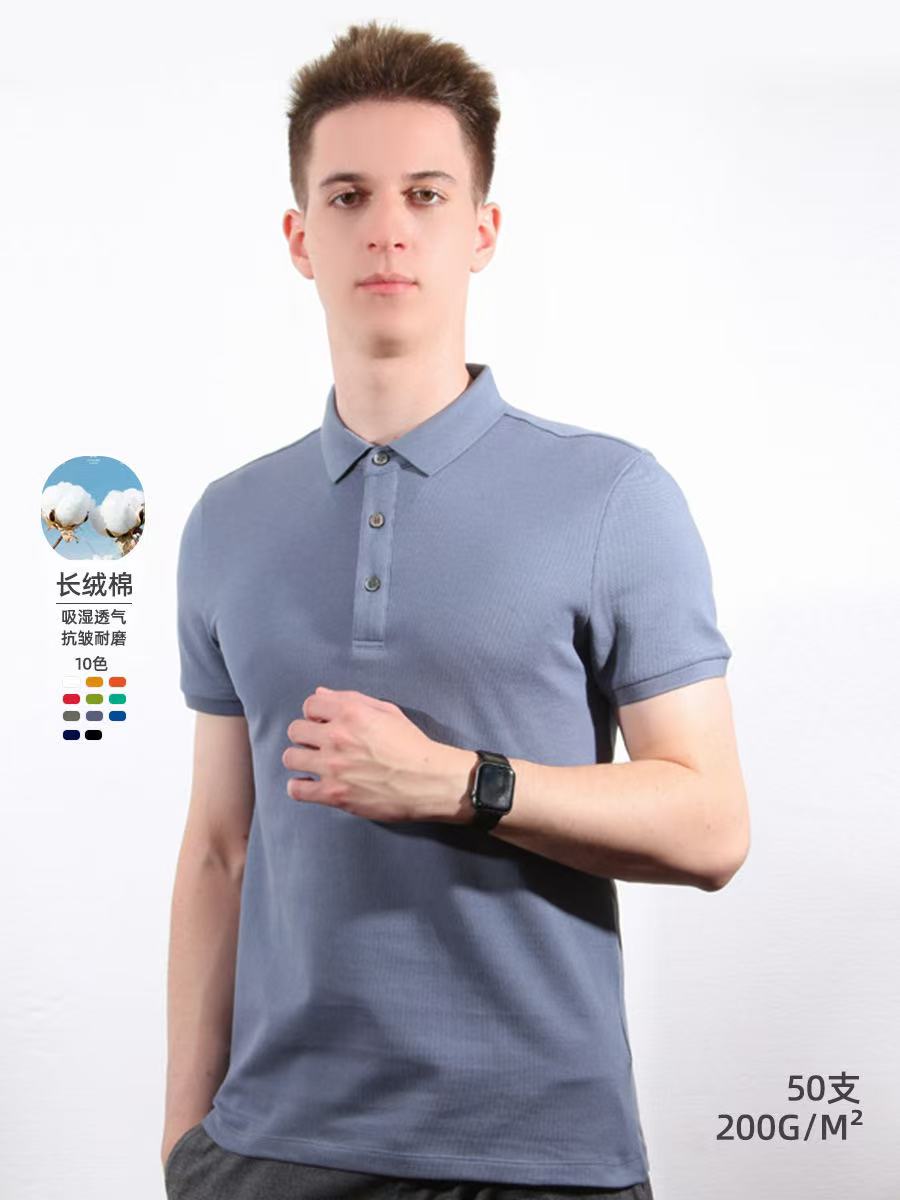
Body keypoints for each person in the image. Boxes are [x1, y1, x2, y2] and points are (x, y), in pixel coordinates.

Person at [163, 18, 749, 1200]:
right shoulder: (227, 520)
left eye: (426, 194)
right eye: (348, 195)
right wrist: (186, 1142)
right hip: (270, 1155)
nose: (387, 227)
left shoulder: (613, 498)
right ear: (300, 237)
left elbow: (711, 826)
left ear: (481, 229)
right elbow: (221, 847)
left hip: (539, 1161)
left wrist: (457, 782)